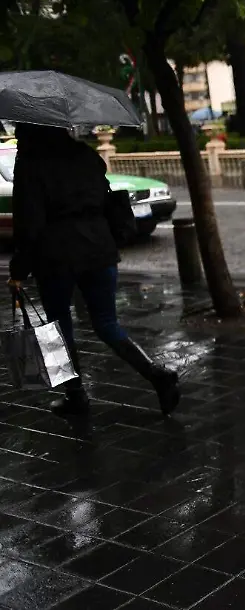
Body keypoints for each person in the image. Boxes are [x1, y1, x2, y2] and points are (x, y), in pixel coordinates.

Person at [6, 123, 180, 417]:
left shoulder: (30, 165)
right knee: (107, 323)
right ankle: (156, 374)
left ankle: (75, 396)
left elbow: (29, 225)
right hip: (99, 248)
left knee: (59, 329)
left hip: (56, 256)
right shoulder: (85, 155)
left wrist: (19, 269)